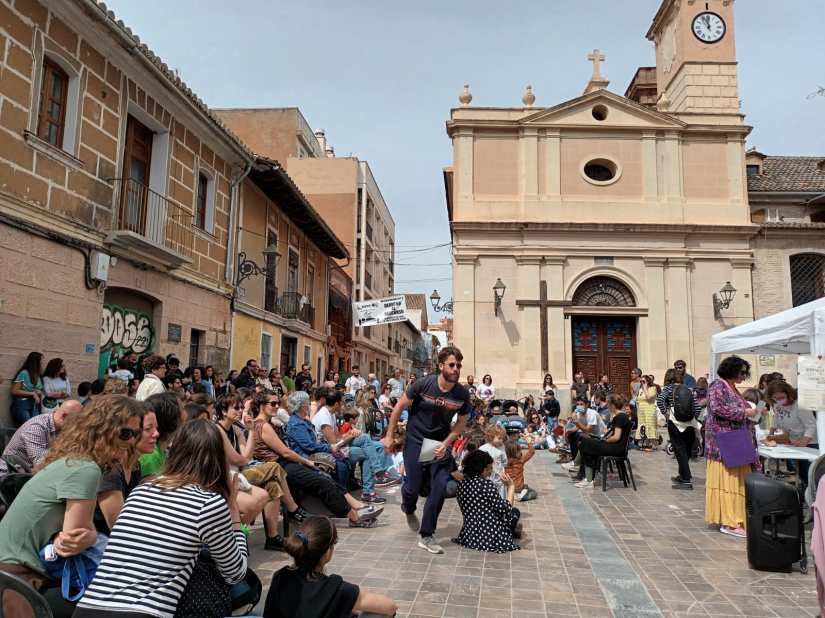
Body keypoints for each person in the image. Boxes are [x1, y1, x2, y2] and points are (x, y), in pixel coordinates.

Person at [74, 419, 248, 618]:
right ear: (218, 458)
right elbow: (234, 573)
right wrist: (233, 511)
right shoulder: (208, 503)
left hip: (88, 607)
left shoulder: (142, 489)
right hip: (142, 613)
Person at [0, 395, 144, 617]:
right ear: (101, 431)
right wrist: (90, 535)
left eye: (136, 433)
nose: (131, 441)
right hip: (18, 579)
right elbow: (72, 540)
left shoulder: (71, 459)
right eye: (126, 433)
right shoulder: (86, 469)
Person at [383, 345, 471, 555]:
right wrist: (389, 435)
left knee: (439, 486)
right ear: (441, 366)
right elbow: (399, 408)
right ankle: (408, 507)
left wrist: (446, 443)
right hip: (415, 439)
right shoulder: (423, 385)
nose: (456, 368)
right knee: (412, 485)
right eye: (452, 364)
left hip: (437, 443)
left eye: (458, 365)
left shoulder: (461, 394)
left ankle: (427, 534)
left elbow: (461, 424)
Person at [264, 516, 398, 618]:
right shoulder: (337, 589)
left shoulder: (280, 576)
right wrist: (351, 603)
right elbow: (390, 606)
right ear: (328, 550)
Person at [705, 356, 759, 538]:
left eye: (746, 372)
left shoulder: (732, 387)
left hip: (736, 441)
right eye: (742, 372)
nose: (744, 376)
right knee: (728, 483)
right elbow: (717, 408)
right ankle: (729, 520)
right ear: (731, 370)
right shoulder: (717, 386)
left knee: (737, 482)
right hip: (724, 443)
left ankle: (737, 518)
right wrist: (745, 412)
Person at [312, 390, 388, 503]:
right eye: (342, 403)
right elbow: (334, 444)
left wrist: (350, 434)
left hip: (338, 445)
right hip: (329, 451)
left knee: (366, 439)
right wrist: (349, 436)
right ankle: (369, 491)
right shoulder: (324, 417)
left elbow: (338, 436)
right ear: (336, 404)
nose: (343, 405)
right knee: (368, 454)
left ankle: (376, 472)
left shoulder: (330, 414)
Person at [94, 404, 160, 535]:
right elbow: (119, 526)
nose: (156, 434)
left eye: (156, 428)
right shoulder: (110, 469)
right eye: (148, 429)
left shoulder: (135, 465)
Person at [453, 449, 520, 553]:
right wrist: (511, 487)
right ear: (481, 469)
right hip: (491, 537)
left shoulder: (461, 484)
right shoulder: (486, 485)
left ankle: (512, 531)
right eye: (489, 469)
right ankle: (510, 532)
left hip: (470, 535)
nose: (490, 472)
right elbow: (506, 509)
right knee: (515, 512)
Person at [0, 399, 82, 477]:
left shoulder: (60, 426)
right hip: (13, 475)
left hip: (30, 470)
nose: (78, 425)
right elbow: (41, 465)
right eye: (76, 421)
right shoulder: (36, 428)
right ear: (64, 416)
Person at [767, 380, 817, 491]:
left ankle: (814, 496)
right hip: (794, 443)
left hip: (810, 443)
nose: (779, 401)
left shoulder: (800, 405)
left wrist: (804, 441)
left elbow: (811, 425)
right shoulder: (777, 405)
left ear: (788, 393)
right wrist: (770, 436)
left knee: (810, 474)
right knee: (801, 473)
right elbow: (776, 420)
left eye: (781, 397)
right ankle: (806, 493)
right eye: (775, 399)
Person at [575, 393, 632, 488]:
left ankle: (581, 470)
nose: (607, 406)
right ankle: (588, 478)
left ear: (613, 405)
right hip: (617, 447)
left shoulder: (620, 417)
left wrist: (605, 441)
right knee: (587, 443)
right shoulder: (621, 416)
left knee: (586, 442)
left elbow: (616, 437)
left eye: (608, 404)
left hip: (616, 448)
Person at [658, 368, 702, 489]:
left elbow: (660, 400)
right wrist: (692, 417)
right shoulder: (687, 389)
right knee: (687, 448)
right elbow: (697, 407)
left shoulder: (668, 388)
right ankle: (683, 474)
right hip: (689, 422)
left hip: (675, 422)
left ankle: (686, 478)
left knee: (679, 449)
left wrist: (666, 414)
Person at [139, 391, 185, 476]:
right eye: (183, 409)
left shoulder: (161, 450)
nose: (186, 414)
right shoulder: (151, 456)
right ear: (172, 417)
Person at [10, 352, 44, 426]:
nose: (42, 363)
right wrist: (32, 393)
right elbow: (14, 391)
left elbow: (38, 389)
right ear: (35, 362)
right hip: (22, 405)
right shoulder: (24, 373)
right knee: (28, 426)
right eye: (40, 361)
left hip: (34, 405)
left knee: (35, 426)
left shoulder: (38, 375)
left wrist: (39, 392)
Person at [479, 424, 508, 498]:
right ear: (490, 437)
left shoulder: (502, 447)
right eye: (499, 438)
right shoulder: (483, 449)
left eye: (502, 438)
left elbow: (505, 461)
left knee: (501, 496)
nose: (501, 440)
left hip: (500, 478)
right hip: (487, 478)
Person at [504, 437, 537, 501]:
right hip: (518, 487)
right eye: (519, 451)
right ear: (514, 453)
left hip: (507, 487)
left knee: (525, 486)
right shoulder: (520, 460)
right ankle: (521, 496)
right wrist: (529, 443)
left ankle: (511, 494)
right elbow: (531, 452)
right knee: (533, 492)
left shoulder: (503, 461)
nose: (521, 452)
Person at [635, 374, 659, 446]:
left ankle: (653, 443)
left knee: (650, 425)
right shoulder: (640, 390)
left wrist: (645, 388)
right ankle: (645, 443)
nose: (642, 382)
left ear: (648, 381)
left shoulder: (653, 388)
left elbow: (648, 398)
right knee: (642, 425)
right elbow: (638, 400)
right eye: (641, 381)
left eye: (643, 381)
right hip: (641, 411)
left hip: (649, 410)